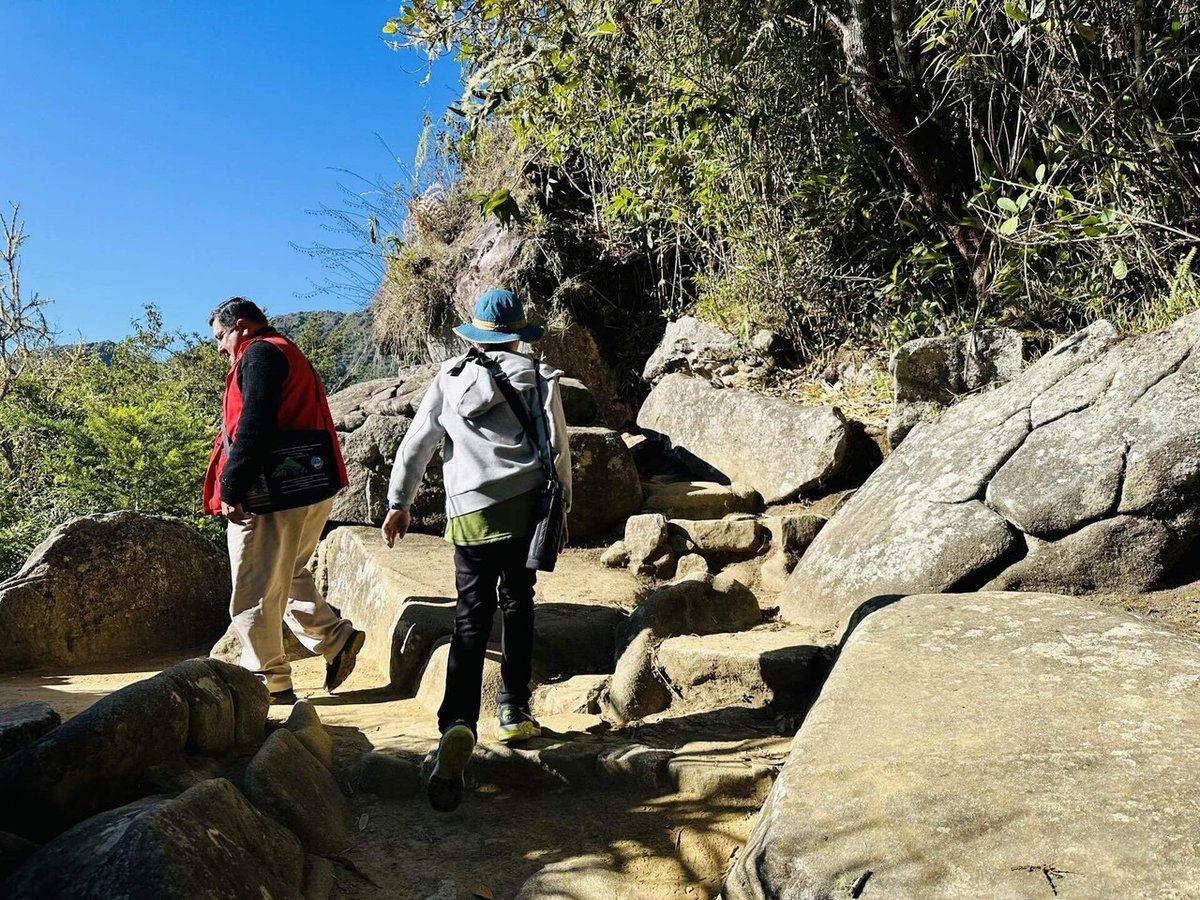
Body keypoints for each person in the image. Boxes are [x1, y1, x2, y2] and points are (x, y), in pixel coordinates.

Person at [381, 287, 571, 812]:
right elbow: (558, 448)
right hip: (526, 506)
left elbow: (416, 443)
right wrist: (564, 510)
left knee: (470, 617)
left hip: (469, 511)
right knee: (519, 602)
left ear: (476, 331)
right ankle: (513, 711)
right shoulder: (540, 377)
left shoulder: (450, 377)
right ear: (518, 332)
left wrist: (399, 502)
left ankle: (458, 721)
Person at [202, 297, 365, 705]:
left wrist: (232, 487)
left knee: (254, 586)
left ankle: (268, 684)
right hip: (310, 486)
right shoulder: (286, 351)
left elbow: (254, 423)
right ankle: (335, 638)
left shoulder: (258, 355)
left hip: (271, 494)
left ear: (241, 325)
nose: (220, 347)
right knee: (289, 570)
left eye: (221, 337)